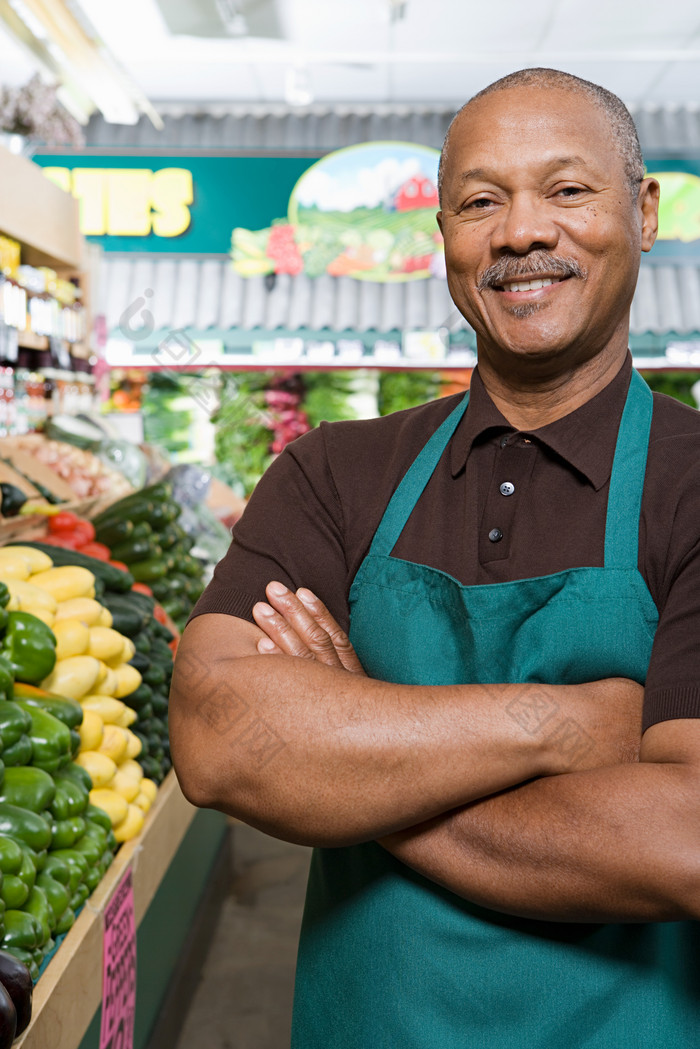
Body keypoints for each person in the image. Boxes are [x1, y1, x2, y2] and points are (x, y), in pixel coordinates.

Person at [170, 68, 700, 1048]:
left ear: (644, 210)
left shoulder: (689, 483)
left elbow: (683, 838)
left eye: (566, 189)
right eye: (479, 201)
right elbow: (220, 741)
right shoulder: (332, 472)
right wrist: (566, 721)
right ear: (445, 237)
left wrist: (354, 759)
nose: (519, 232)